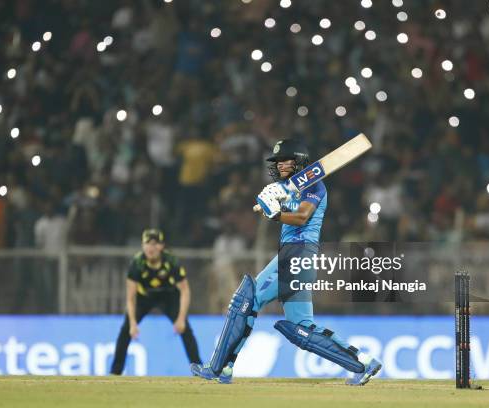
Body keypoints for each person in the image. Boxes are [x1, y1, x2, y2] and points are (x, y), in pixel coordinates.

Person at [191, 139, 382, 385]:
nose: (280, 165)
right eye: (277, 161)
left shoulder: (316, 186)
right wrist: (270, 201)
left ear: (299, 160)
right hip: (297, 257)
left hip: (298, 253)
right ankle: (363, 363)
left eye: (285, 160)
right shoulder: (287, 188)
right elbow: (283, 206)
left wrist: (274, 213)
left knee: (247, 298)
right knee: (302, 328)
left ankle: (220, 368)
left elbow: (302, 217)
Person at [110, 228, 202, 375]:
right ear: (142, 246)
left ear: (162, 246)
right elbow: (130, 296)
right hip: (144, 297)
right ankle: (115, 372)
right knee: (125, 330)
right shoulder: (137, 263)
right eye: (148, 243)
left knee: (186, 330)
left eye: (155, 244)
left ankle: (199, 370)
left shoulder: (171, 262)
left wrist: (180, 319)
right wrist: (133, 323)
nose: (151, 248)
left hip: (168, 296)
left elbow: (185, 291)